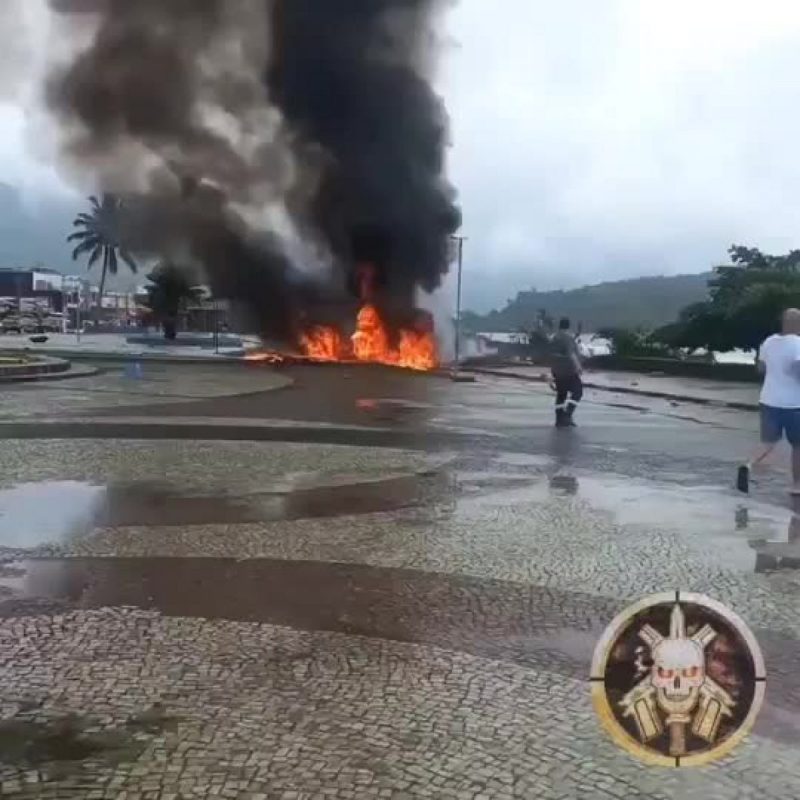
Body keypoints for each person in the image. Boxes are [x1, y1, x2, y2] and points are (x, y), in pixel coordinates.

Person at [738, 308, 800, 494]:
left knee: (768, 441)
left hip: (768, 400)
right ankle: (797, 485)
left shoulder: (769, 342)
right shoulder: (798, 344)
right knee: (798, 446)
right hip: (794, 404)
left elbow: (760, 369)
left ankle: (748, 464)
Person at [550, 317, 583, 428]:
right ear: (568, 326)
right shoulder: (567, 338)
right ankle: (567, 415)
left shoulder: (554, 337)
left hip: (556, 369)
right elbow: (571, 354)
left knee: (561, 394)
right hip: (567, 370)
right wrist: (578, 366)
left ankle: (559, 419)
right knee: (578, 392)